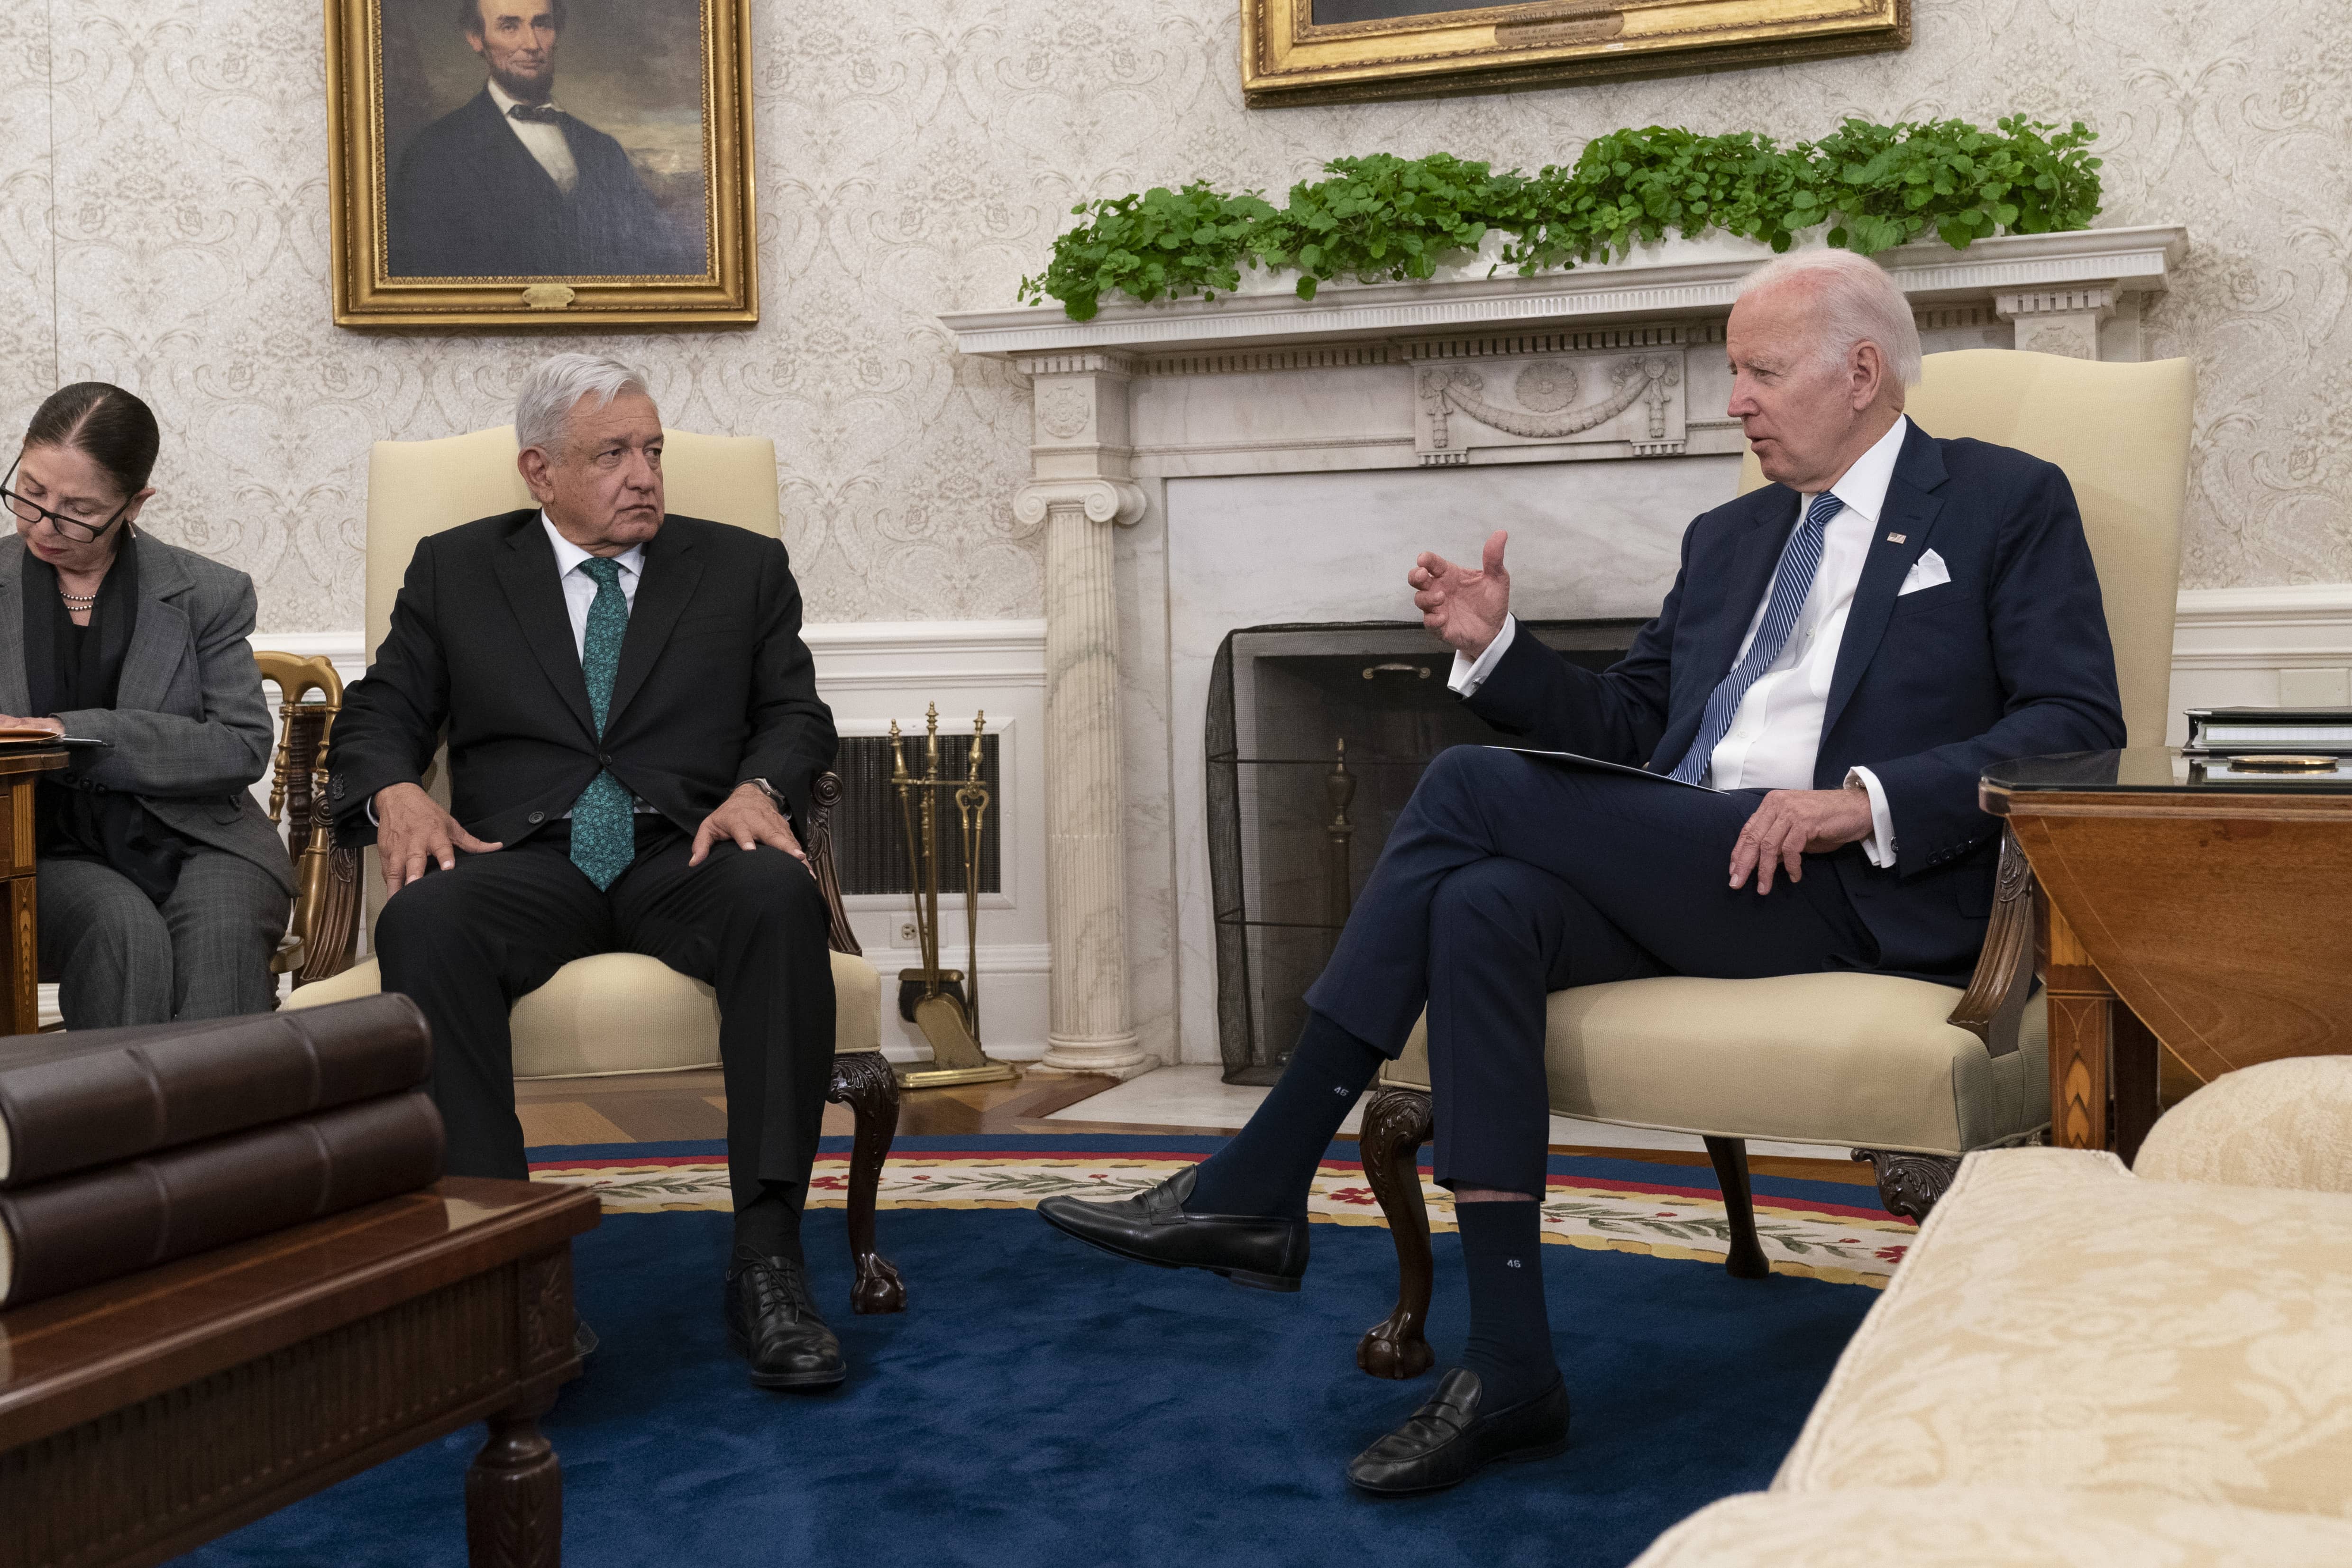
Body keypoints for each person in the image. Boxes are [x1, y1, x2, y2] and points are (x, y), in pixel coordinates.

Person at [1039, 248, 2126, 1494]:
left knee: (1462, 790)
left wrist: (1857, 802)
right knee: (1483, 902)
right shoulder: (1730, 537)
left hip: (1850, 887)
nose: (1737, 403)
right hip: (1692, 857)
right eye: (1734, 375)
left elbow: (2072, 724)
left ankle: (1264, 1169)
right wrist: (1500, 648)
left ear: (1863, 371)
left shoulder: (1999, 502)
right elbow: (1628, 734)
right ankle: (1512, 1369)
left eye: (1760, 372)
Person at [327, 353, 844, 1387]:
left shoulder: (741, 567)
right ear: (539, 470)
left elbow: (796, 715)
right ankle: (508, 1272)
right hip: (527, 859)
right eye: (611, 455)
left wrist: (762, 790)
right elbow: (382, 714)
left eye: (651, 451)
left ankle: (768, 1264)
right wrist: (398, 790)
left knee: (778, 896)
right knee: (425, 922)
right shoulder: (455, 567)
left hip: (684, 851)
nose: (643, 475)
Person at [0, 384, 293, 1029]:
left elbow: (240, 744)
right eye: (30, 490)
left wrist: (67, 733)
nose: (43, 524)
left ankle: (227, 1129)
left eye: (79, 509)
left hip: (197, 836)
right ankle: (122, 1128)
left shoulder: (207, 592)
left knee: (221, 940)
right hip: (33, 846)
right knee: (122, 928)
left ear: (135, 503)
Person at [386, 0, 703, 278]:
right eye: (509, 27)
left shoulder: (603, 149)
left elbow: (657, 261)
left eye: (542, 24)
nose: (532, 43)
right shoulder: (433, 154)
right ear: (476, 38)